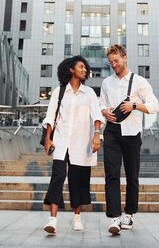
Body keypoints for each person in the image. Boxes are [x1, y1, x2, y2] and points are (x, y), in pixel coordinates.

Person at [99, 44, 159, 235]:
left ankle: (129, 213)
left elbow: (154, 106)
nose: (114, 65)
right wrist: (104, 112)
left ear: (124, 58)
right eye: (110, 62)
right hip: (111, 133)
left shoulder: (139, 81)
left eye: (116, 61)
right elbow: (101, 105)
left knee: (132, 176)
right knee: (111, 174)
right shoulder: (106, 83)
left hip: (132, 133)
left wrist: (133, 105)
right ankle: (114, 217)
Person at [42, 55, 104, 234]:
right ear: (71, 69)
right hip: (61, 142)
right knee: (57, 177)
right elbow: (50, 116)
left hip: (81, 143)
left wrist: (96, 136)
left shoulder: (90, 93)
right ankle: (52, 219)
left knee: (78, 180)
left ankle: (77, 217)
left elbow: (97, 116)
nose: (85, 70)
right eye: (81, 67)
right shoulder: (59, 92)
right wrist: (47, 139)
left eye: (85, 68)